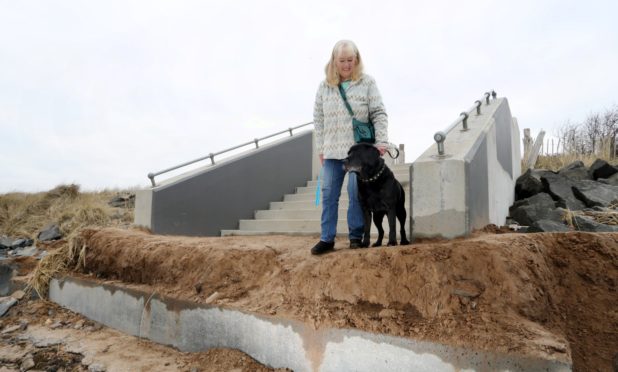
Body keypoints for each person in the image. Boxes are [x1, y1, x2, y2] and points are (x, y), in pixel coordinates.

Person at [311, 40, 389, 255]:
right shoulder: (324, 86)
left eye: (350, 60)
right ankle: (327, 238)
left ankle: (356, 236)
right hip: (332, 151)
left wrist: (381, 141)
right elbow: (318, 120)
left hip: (359, 154)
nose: (346, 65)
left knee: (355, 194)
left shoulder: (367, 83)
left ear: (357, 60)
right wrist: (321, 149)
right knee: (328, 194)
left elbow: (379, 113)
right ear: (334, 61)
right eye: (342, 60)